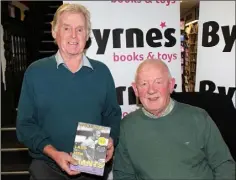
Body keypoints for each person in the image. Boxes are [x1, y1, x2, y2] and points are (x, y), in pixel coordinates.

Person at [16, 3, 121, 180]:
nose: (74, 35)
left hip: (91, 168)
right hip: (47, 168)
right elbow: (25, 126)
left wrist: (110, 140)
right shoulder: (36, 72)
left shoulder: (102, 72)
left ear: (87, 35)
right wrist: (54, 153)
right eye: (67, 28)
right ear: (54, 32)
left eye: (80, 29)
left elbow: (112, 115)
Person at [113, 59, 235, 180]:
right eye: (144, 84)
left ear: (171, 85)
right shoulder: (126, 127)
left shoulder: (199, 118)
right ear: (135, 89)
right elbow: (123, 175)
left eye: (158, 82)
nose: (151, 90)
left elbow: (224, 165)